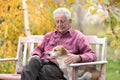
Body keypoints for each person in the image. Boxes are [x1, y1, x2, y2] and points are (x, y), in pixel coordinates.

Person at [21, 7, 97, 80]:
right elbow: (39, 49)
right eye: (57, 22)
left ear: (70, 21)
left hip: (60, 66)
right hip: (43, 61)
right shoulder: (49, 36)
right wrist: (35, 55)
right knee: (32, 63)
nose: (59, 24)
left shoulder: (78, 37)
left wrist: (78, 57)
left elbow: (92, 55)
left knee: (44, 71)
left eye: (62, 21)